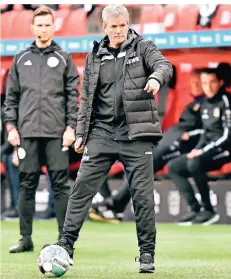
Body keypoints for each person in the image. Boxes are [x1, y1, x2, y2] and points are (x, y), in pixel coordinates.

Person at [48, 4, 172, 273]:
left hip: (136, 133)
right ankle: (65, 245)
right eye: (113, 26)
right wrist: (81, 133)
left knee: (142, 198)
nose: (118, 31)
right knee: (81, 190)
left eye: (122, 25)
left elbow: (164, 65)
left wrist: (156, 78)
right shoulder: (95, 55)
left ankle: (147, 254)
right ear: (104, 27)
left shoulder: (143, 47)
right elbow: (86, 99)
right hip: (102, 133)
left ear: (128, 24)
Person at [4, 6, 79, 253]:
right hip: (26, 133)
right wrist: (11, 127)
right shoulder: (20, 58)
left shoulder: (64, 58)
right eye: (40, 25)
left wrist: (71, 127)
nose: (44, 29)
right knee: (27, 185)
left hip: (57, 133)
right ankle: (25, 239)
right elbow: (11, 98)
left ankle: (64, 241)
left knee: (60, 185)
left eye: (48, 25)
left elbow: (72, 96)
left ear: (53, 27)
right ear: (32, 28)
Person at [89, 68, 205, 223]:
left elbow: (208, 130)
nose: (196, 85)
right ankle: (115, 206)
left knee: (145, 163)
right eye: (193, 82)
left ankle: (115, 205)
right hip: (166, 143)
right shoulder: (191, 103)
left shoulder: (208, 104)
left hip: (185, 147)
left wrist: (187, 136)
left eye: (200, 83)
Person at [167, 68, 231, 225]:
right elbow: (205, 132)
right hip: (208, 149)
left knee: (195, 162)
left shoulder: (226, 102)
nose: (208, 87)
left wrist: (202, 151)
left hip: (226, 149)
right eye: (204, 83)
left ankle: (208, 210)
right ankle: (195, 210)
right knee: (174, 167)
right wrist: (198, 149)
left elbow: (227, 136)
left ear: (220, 83)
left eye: (212, 82)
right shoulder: (205, 103)